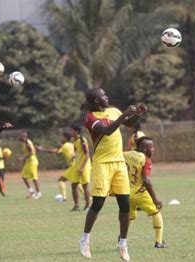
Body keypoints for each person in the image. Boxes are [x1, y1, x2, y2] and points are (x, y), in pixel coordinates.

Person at [80, 87, 146, 261]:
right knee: (98, 203)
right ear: (96, 101)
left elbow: (129, 124)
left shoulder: (113, 110)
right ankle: (85, 240)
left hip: (119, 163)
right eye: (103, 95)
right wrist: (124, 114)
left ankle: (122, 244)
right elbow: (107, 130)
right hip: (102, 164)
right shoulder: (90, 118)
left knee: (125, 204)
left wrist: (137, 114)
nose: (106, 97)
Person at [124, 137, 166, 248]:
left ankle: (121, 241)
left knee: (130, 217)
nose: (153, 149)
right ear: (144, 148)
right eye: (151, 147)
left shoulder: (125, 154)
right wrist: (155, 198)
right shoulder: (146, 160)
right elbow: (146, 180)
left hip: (125, 193)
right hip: (139, 192)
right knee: (156, 212)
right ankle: (159, 242)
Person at [37, 132, 75, 203]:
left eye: (62, 137)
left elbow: (54, 151)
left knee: (61, 180)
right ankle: (88, 196)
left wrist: (42, 149)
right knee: (76, 182)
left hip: (73, 166)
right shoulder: (71, 144)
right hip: (76, 165)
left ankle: (64, 197)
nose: (61, 138)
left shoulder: (64, 146)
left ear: (66, 138)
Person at [70, 125, 92, 211]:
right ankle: (76, 206)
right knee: (73, 185)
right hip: (77, 165)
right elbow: (77, 151)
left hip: (84, 166)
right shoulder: (74, 141)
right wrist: (73, 156)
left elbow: (87, 154)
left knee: (85, 186)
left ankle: (87, 206)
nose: (71, 132)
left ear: (76, 131)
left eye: (72, 130)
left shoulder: (82, 140)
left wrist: (82, 167)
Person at [19, 131, 41, 199]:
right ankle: (31, 191)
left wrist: (23, 158)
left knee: (34, 178)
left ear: (25, 136)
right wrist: (24, 159)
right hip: (28, 162)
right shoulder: (24, 143)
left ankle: (39, 193)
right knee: (23, 176)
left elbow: (32, 152)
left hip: (32, 161)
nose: (20, 137)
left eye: (22, 136)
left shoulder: (28, 143)